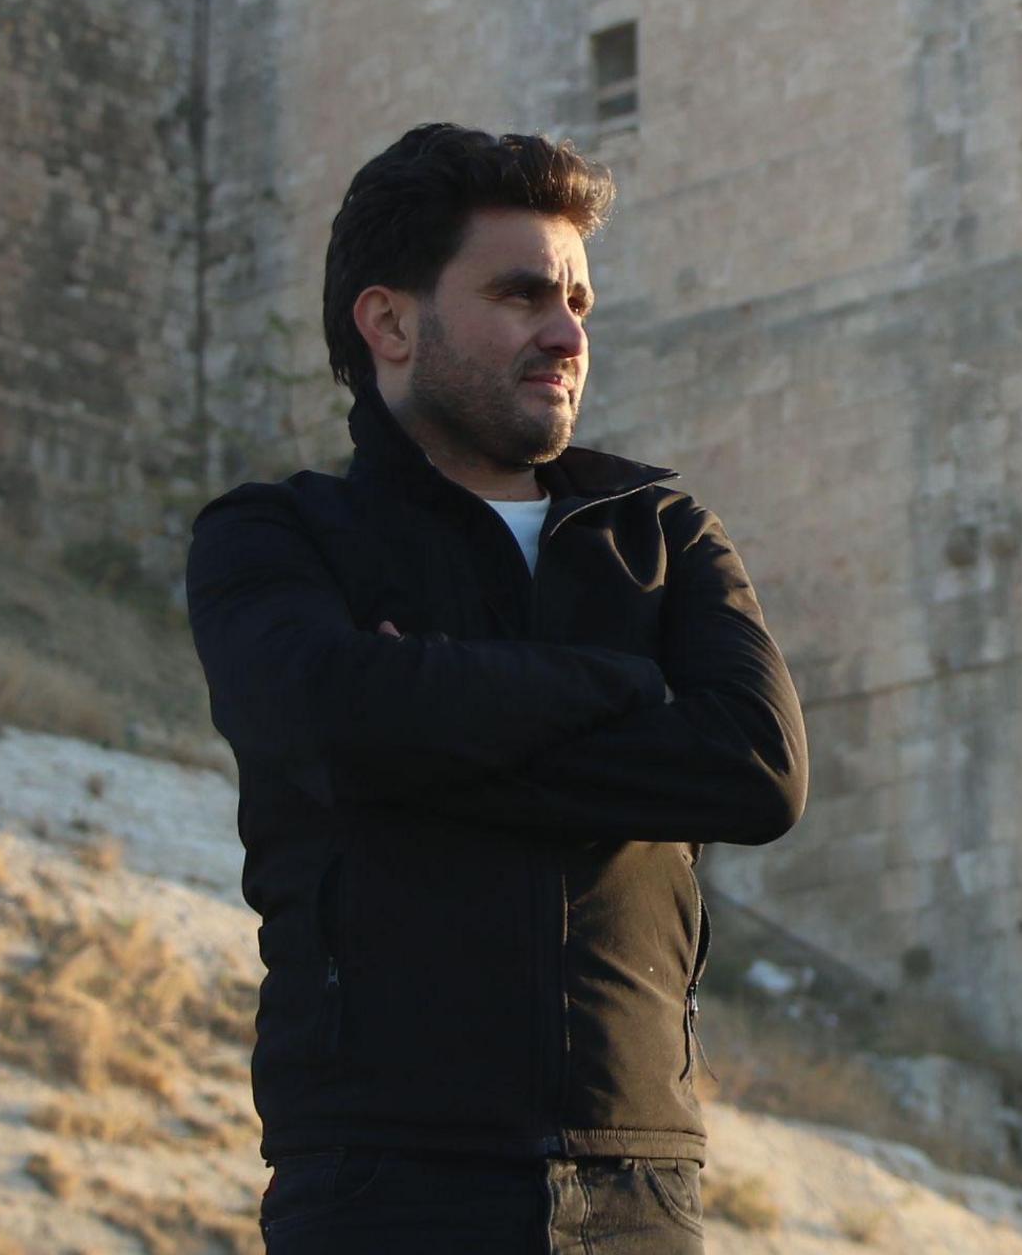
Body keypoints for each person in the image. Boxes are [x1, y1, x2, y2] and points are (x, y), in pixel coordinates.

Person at [188, 124, 808, 1252]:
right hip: (385, 1183)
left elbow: (758, 772)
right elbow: (335, 719)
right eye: (522, 295)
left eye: (578, 301)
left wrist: (431, 721)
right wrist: (623, 688)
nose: (567, 333)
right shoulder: (277, 541)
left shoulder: (665, 537)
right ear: (389, 321)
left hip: (640, 1190)